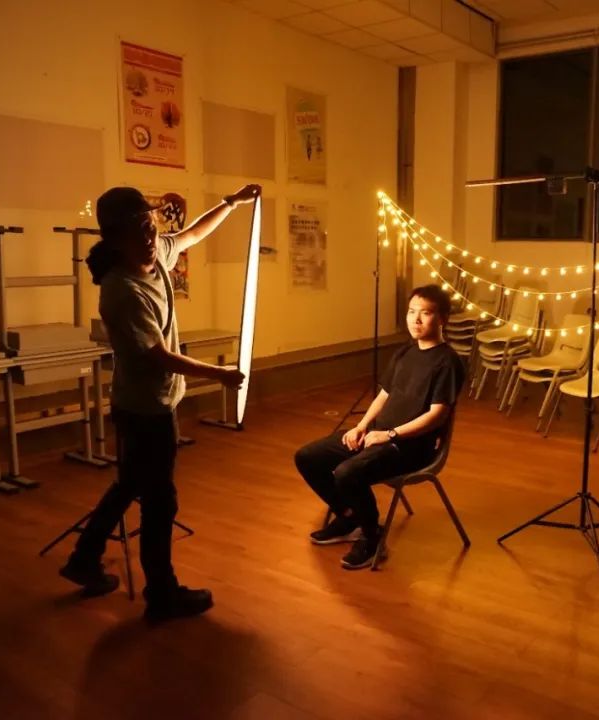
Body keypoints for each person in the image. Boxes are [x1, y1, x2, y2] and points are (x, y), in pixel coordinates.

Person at [59, 183, 259, 621]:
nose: (150, 237)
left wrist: (231, 203)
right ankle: (162, 593)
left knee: (130, 484)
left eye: (150, 226)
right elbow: (160, 356)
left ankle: (84, 558)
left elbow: (192, 234)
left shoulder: (155, 255)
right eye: (138, 231)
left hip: (150, 402)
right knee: (160, 501)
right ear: (116, 239)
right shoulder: (122, 291)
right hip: (145, 409)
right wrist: (221, 375)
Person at [294, 284, 465, 569]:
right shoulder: (405, 352)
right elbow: (384, 394)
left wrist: (390, 434)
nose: (416, 319)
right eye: (411, 311)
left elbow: (437, 416)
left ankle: (372, 537)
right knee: (308, 457)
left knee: (348, 472)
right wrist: (360, 426)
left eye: (425, 313)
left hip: (411, 447)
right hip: (377, 436)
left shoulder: (448, 362)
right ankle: (350, 517)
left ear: (442, 319)